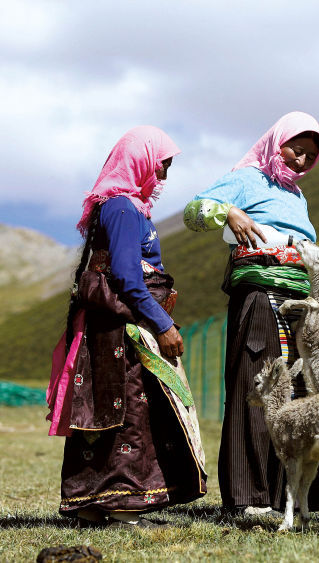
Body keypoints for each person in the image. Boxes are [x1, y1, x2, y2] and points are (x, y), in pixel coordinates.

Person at [47, 126, 206, 529]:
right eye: (161, 166)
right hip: (123, 325)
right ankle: (121, 506)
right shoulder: (121, 208)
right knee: (128, 406)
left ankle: (89, 504)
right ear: (139, 162)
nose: (164, 177)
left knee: (103, 407)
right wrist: (164, 323)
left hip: (113, 323)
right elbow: (127, 276)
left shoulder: (124, 207)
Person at [183, 111, 319, 516]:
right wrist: (229, 212)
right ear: (275, 143)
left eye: (309, 157)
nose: (300, 161)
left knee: (298, 396)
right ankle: (249, 499)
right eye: (295, 150)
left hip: (298, 301)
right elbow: (195, 211)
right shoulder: (247, 178)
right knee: (257, 390)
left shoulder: (297, 196)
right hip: (260, 296)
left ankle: (296, 498)